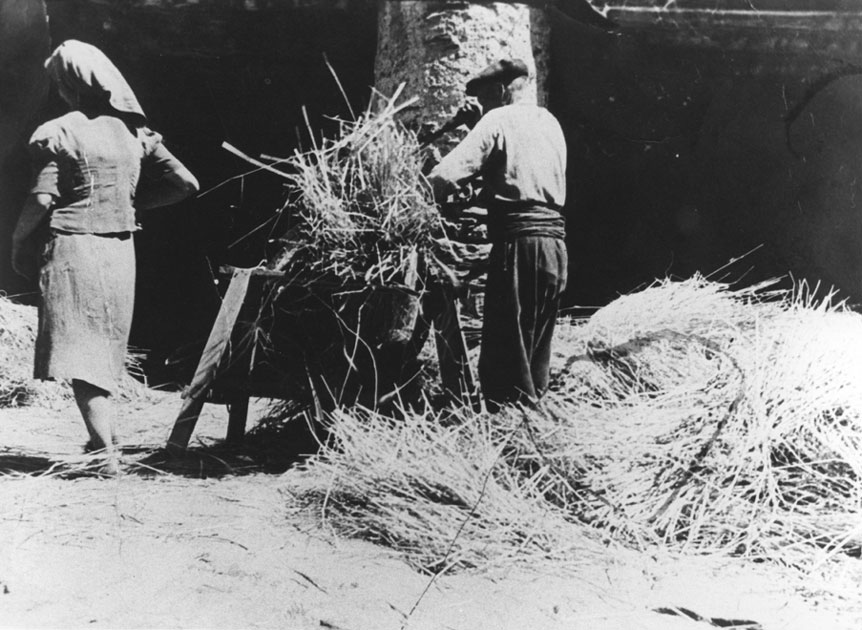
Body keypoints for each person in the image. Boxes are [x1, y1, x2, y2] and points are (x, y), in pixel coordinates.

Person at [11, 40, 199, 473]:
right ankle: (105, 444)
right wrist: (129, 205)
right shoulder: (135, 134)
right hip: (119, 251)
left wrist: (18, 242)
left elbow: (42, 199)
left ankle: (107, 458)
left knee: (80, 353)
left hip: (74, 248)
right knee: (105, 350)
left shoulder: (60, 131)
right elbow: (185, 184)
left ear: (68, 82)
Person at [428, 59, 568, 412]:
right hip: (554, 244)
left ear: (500, 90)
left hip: (518, 244)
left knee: (505, 358)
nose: (482, 105)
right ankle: (533, 428)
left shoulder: (497, 120)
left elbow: (445, 177)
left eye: (484, 97)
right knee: (534, 351)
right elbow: (522, 168)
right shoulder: (550, 122)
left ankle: (512, 435)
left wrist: (415, 196)